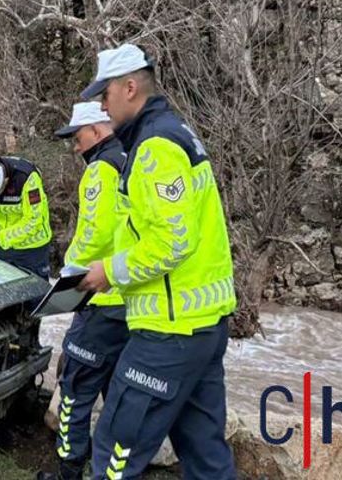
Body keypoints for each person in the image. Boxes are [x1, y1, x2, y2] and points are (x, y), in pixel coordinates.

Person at [76, 44, 237, 480]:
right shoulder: (175, 133)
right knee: (205, 455)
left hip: (168, 332)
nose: (102, 106)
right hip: (202, 325)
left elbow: (171, 241)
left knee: (114, 450)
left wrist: (109, 272)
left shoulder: (155, 147)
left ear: (130, 88)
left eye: (105, 94)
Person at [37, 102, 129, 480]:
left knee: (74, 388)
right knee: (119, 397)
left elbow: (94, 233)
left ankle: (69, 470)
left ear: (96, 130)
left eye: (77, 138)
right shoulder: (132, 158)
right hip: (133, 301)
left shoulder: (100, 169)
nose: (76, 147)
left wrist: (68, 271)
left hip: (99, 298)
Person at [0, 155, 52, 278]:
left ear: (5, 181)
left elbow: (34, 220)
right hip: (4, 247)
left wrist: (0, 238)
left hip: (33, 249)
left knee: (35, 289)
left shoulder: (27, 177)